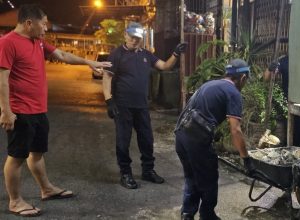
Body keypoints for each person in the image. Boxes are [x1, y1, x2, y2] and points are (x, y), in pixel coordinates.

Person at [0, 4, 112, 217]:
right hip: (20, 111)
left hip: (39, 110)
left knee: (37, 152)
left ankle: (46, 189)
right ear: (29, 23)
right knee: (16, 157)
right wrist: (6, 111)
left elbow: (61, 54)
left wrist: (88, 62)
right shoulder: (7, 43)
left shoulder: (38, 41)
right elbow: (2, 80)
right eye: (43, 25)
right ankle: (15, 201)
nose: (45, 29)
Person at [102, 22, 187, 189]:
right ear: (125, 35)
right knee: (123, 141)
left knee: (147, 139)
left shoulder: (147, 55)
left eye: (138, 38)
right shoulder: (116, 55)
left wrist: (176, 53)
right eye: (132, 37)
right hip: (123, 106)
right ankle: (125, 173)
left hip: (141, 106)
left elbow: (164, 66)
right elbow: (107, 77)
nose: (135, 40)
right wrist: (109, 100)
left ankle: (148, 170)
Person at [175, 59, 255, 220]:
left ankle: (187, 213)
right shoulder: (233, 93)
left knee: (192, 175)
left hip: (181, 135)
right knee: (209, 177)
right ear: (243, 78)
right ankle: (207, 215)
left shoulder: (210, 84)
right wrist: (245, 158)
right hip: (197, 139)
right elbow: (235, 130)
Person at [264, 55, 300, 146]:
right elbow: (266, 78)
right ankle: (290, 148)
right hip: (289, 101)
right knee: (290, 129)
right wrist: (270, 68)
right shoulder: (284, 61)